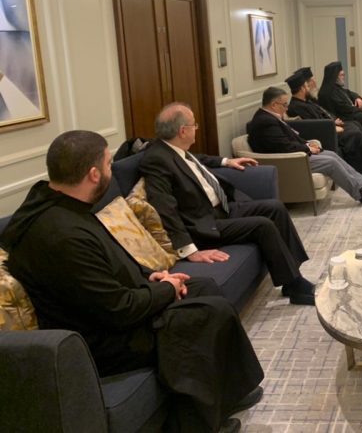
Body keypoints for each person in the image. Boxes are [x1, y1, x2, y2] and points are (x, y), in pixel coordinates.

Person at [0, 131, 263, 433]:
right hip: (99, 338)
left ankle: (230, 391)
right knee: (204, 313)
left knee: (202, 287)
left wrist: (150, 277)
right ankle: (196, 425)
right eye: (109, 164)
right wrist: (166, 289)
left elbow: (104, 266)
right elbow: (118, 309)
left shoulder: (59, 204)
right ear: (93, 174)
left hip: (108, 307)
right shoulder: (61, 234)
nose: (112, 172)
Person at [140, 102, 316, 306]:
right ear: (182, 131)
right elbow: (164, 208)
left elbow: (196, 160)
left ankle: (293, 274)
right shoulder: (156, 160)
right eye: (194, 125)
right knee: (263, 225)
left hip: (221, 209)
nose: (196, 128)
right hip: (203, 224)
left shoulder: (174, 149)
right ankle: (295, 286)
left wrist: (226, 161)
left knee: (275, 207)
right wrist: (190, 251)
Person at [247, 87, 362, 203]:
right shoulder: (265, 122)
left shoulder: (270, 117)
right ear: (273, 104)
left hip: (294, 155)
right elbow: (283, 147)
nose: (286, 108)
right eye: (284, 105)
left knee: (331, 154)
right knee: (330, 163)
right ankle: (361, 193)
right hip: (289, 161)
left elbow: (288, 139)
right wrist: (307, 148)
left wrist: (307, 143)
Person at [286, 68, 362, 178]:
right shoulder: (296, 107)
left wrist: (333, 120)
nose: (309, 87)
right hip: (325, 133)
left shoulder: (307, 101)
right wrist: (332, 124)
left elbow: (323, 113)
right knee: (354, 133)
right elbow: (313, 125)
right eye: (306, 86)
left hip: (328, 126)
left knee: (355, 124)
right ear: (302, 88)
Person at [317, 61, 362, 159]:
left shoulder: (337, 88)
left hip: (349, 114)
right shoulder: (327, 92)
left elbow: (351, 93)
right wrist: (359, 110)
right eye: (342, 75)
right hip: (342, 117)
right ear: (334, 76)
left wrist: (358, 98)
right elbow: (343, 108)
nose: (343, 77)